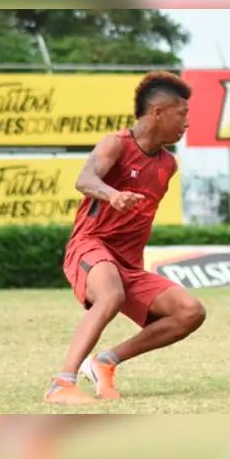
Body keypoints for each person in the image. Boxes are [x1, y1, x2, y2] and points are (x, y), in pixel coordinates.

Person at [45, 72, 206, 405]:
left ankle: (106, 361)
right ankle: (61, 384)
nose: (187, 123)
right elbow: (85, 178)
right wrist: (111, 194)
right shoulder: (116, 143)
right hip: (91, 246)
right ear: (158, 112)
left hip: (128, 265)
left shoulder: (168, 164)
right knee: (111, 295)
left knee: (190, 312)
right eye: (183, 114)